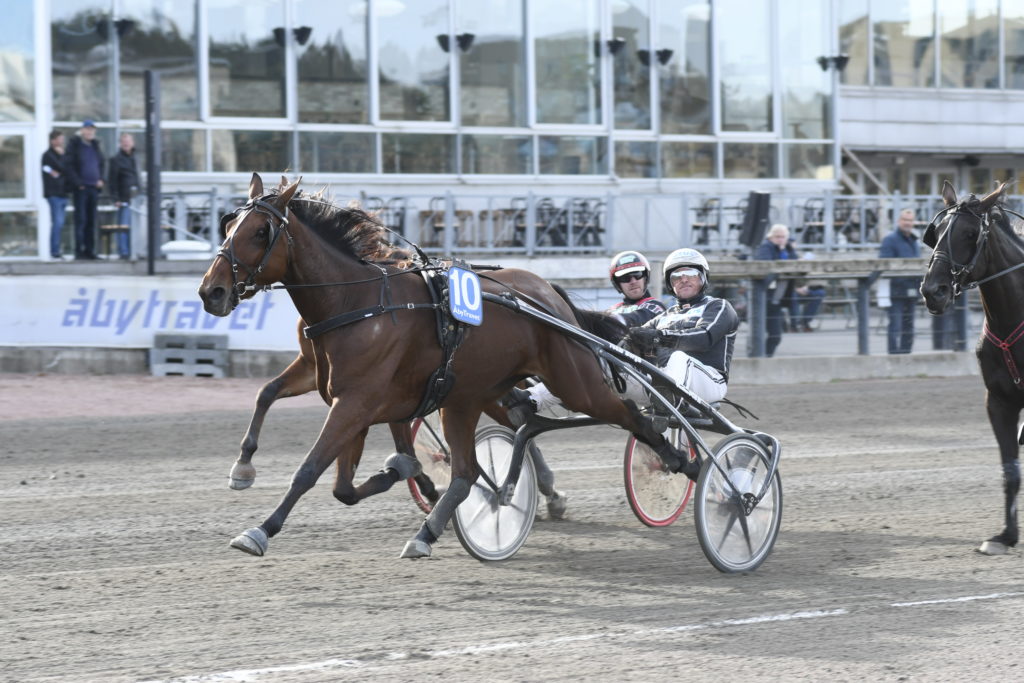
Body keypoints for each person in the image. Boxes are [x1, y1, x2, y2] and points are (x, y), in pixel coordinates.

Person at [509, 247, 738, 418]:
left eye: (690, 273)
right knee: (596, 364)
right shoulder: (665, 315)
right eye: (677, 276)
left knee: (678, 357)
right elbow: (629, 341)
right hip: (662, 385)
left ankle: (669, 407)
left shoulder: (718, 306)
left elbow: (705, 338)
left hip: (708, 382)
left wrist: (660, 338)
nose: (683, 279)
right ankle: (532, 400)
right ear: (670, 284)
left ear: (703, 277)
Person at [511, 250, 667, 413]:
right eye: (625, 278)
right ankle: (533, 385)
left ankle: (533, 398)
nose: (633, 281)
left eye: (637, 275)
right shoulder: (612, 310)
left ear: (645, 277)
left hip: (644, 379)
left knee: (584, 365)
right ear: (617, 283)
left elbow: (626, 322)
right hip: (615, 373)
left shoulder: (655, 307)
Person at [879, 208, 921, 354]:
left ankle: (906, 353)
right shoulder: (890, 240)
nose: (907, 223)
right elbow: (884, 263)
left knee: (909, 325)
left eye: (910, 220)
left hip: (912, 288)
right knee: (895, 324)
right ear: (898, 221)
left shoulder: (914, 240)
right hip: (896, 290)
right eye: (905, 220)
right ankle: (893, 354)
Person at [753, 224, 798, 356]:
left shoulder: (787, 248)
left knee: (775, 335)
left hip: (777, 298)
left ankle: (766, 357)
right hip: (764, 296)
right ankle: (759, 357)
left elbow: (795, 263)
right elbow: (765, 266)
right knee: (760, 334)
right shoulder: (765, 247)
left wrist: (788, 250)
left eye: (783, 237)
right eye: (777, 237)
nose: (780, 240)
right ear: (771, 237)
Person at [66, 120, 105, 260]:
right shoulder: (75, 146)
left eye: (92, 129)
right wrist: (78, 183)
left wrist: (101, 179)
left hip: (94, 188)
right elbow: (68, 166)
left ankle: (90, 250)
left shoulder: (96, 146)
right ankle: (79, 251)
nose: (90, 132)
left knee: (91, 221)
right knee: (81, 220)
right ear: (82, 130)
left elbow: (102, 164)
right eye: (87, 129)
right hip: (81, 189)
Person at [107, 133, 139, 260]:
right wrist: (115, 198)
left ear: (132, 143)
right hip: (123, 199)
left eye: (128, 141)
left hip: (136, 199)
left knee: (134, 227)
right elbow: (112, 181)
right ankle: (124, 252)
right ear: (120, 144)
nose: (126, 144)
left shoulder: (135, 158)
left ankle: (134, 251)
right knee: (123, 227)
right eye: (124, 142)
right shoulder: (116, 160)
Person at [41, 129, 70, 260]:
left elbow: (66, 170)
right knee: (57, 222)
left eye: (62, 139)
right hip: (54, 194)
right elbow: (58, 169)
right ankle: (55, 251)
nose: (61, 142)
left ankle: (57, 249)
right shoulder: (48, 156)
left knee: (61, 223)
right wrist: (62, 157)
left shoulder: (63, 154)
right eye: (59, 139)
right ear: (52, 141)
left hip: (63, 193)